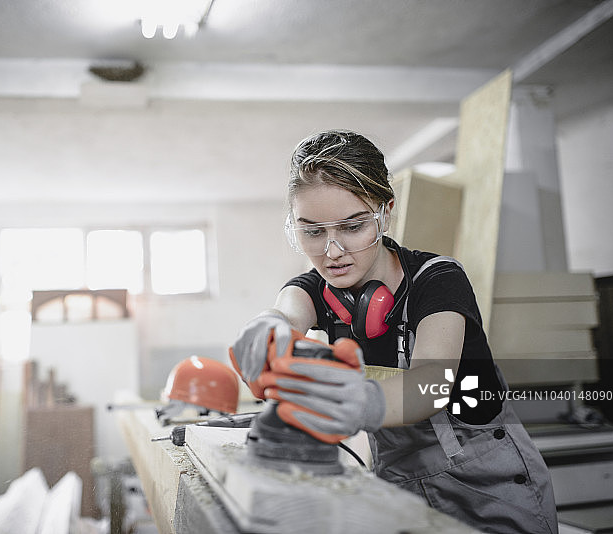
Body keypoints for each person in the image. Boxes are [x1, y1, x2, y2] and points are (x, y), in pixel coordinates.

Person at [230, 129, 557, 534]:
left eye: (352, 226)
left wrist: (357, 402)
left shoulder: (437, 279)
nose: (332, 252)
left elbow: (433, 385)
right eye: (312, 231)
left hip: (487, 486)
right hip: (398, 484)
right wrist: (265, 330)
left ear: (385, 212)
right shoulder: (314, 288)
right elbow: (287, 313)